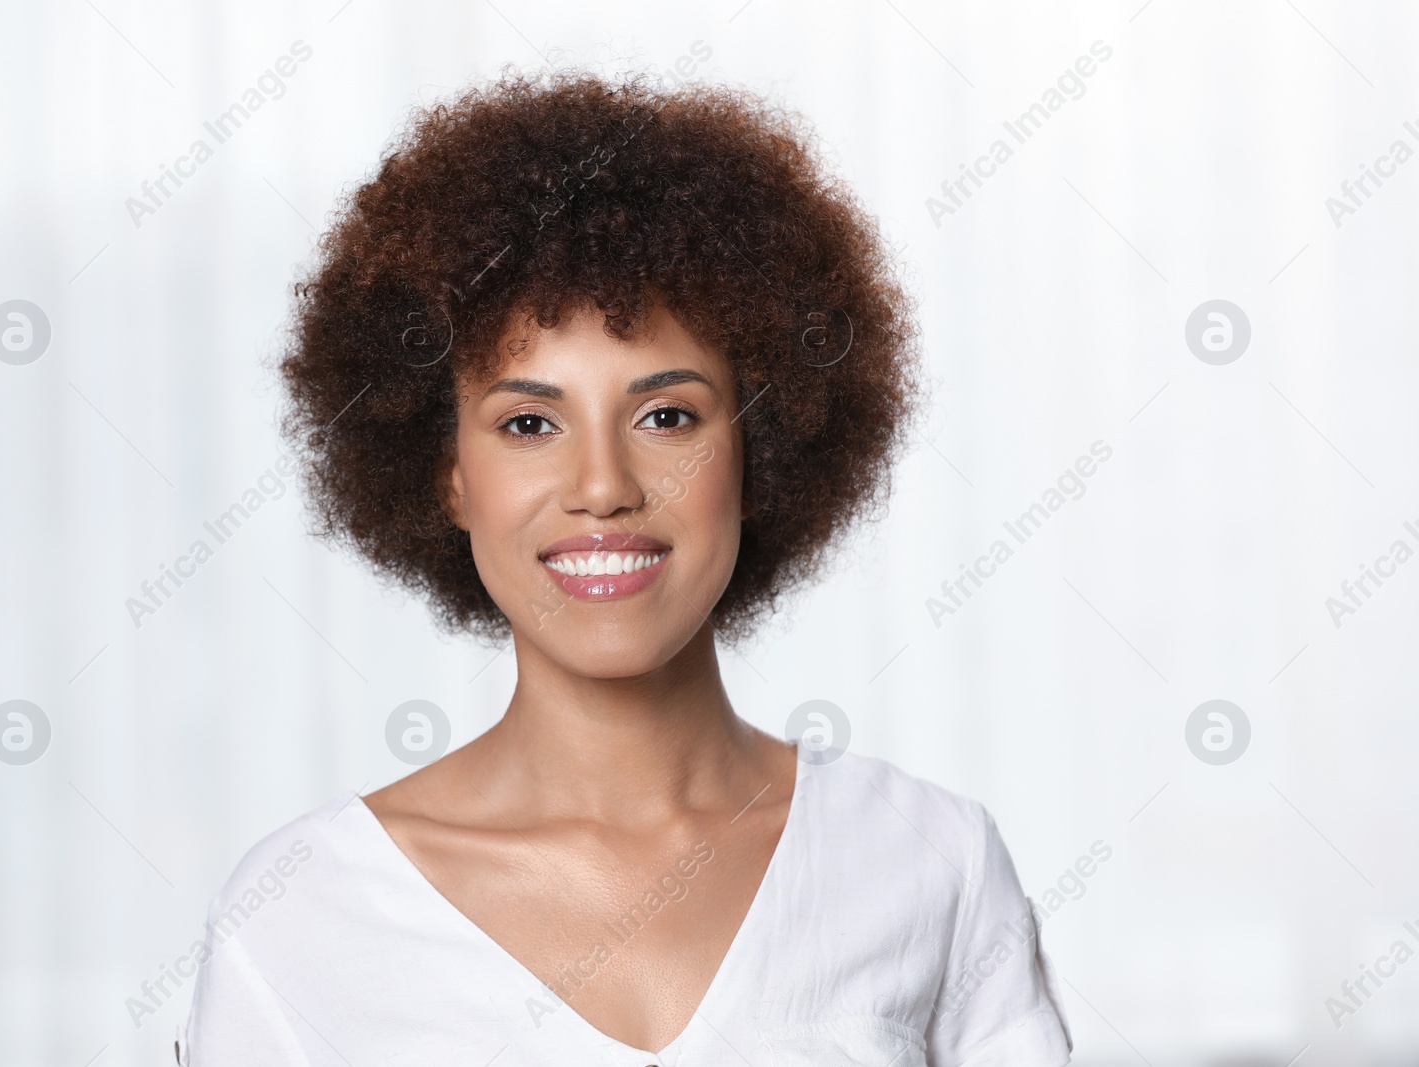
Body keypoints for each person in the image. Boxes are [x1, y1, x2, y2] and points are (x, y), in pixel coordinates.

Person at [179, 70, 1072, 1066]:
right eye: (528, 422)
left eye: (666, 416)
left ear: (758, 450)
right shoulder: (301, 915)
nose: (601, 484)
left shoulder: (928, 861)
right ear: (449, 479)